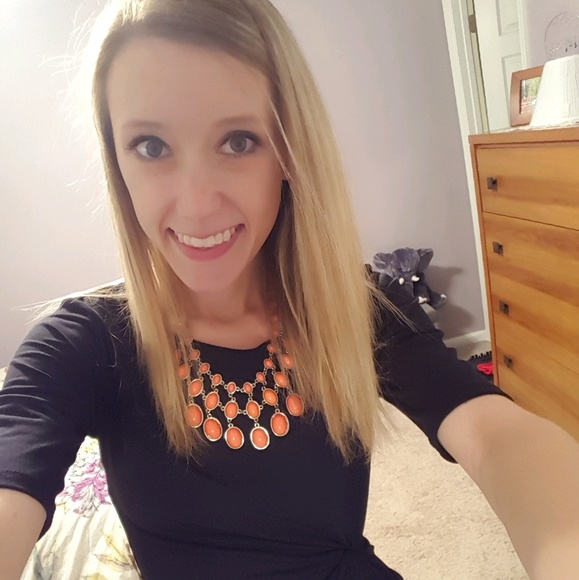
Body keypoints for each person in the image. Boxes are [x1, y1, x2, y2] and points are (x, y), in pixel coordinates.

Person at [1, 1, 578, 578]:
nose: (197, 205)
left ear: (287, 151)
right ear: (117, 162)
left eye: (238, 141)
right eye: (151, 146)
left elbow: (493, 431)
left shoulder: (357, 306)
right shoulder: (85, 341)